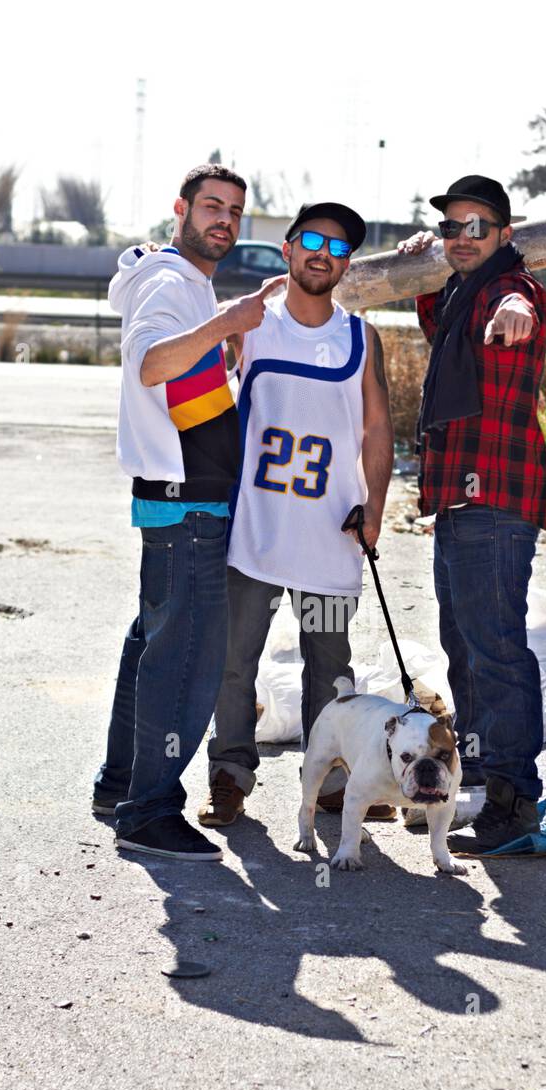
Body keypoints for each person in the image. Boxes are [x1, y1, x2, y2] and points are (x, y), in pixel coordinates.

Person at [91, 163, 285, 861]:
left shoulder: (181, 282)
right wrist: (229, 322)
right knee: (186, 661)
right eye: (211, 206)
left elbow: (185, 381)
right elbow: (151, 364)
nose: (224, 220)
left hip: (179, 502)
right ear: (181, 208)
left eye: (234, 210)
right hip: (186, 507)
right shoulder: (172, 282)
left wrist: (226, 331)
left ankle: (121, 787)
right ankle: (148, 811)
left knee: (154, 644)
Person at [198, 201, 396, 827]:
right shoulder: (249, 324)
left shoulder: (361, 338)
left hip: (331, 534)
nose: (323, 253)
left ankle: (331, 781)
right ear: (286, 249)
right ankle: (229, 776)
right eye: (312, 239)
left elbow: (378, 429)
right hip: (254, 529)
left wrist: (375, 508)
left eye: (338, 248)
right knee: (234, 661)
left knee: (330, 666)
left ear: (347, 265)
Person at [396, 175, 546, 854]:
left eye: (476, 228)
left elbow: (518, 304)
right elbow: (436, 319)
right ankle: (483, 779)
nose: (462, 238)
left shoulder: (511, 291)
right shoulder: (460, 295)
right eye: (452, 228)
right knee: (463, 645)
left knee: (497, 651)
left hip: (495, 498)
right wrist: (421, 261)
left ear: (504, 235)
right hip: (458, 498)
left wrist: (514, 305)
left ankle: (514, 801)